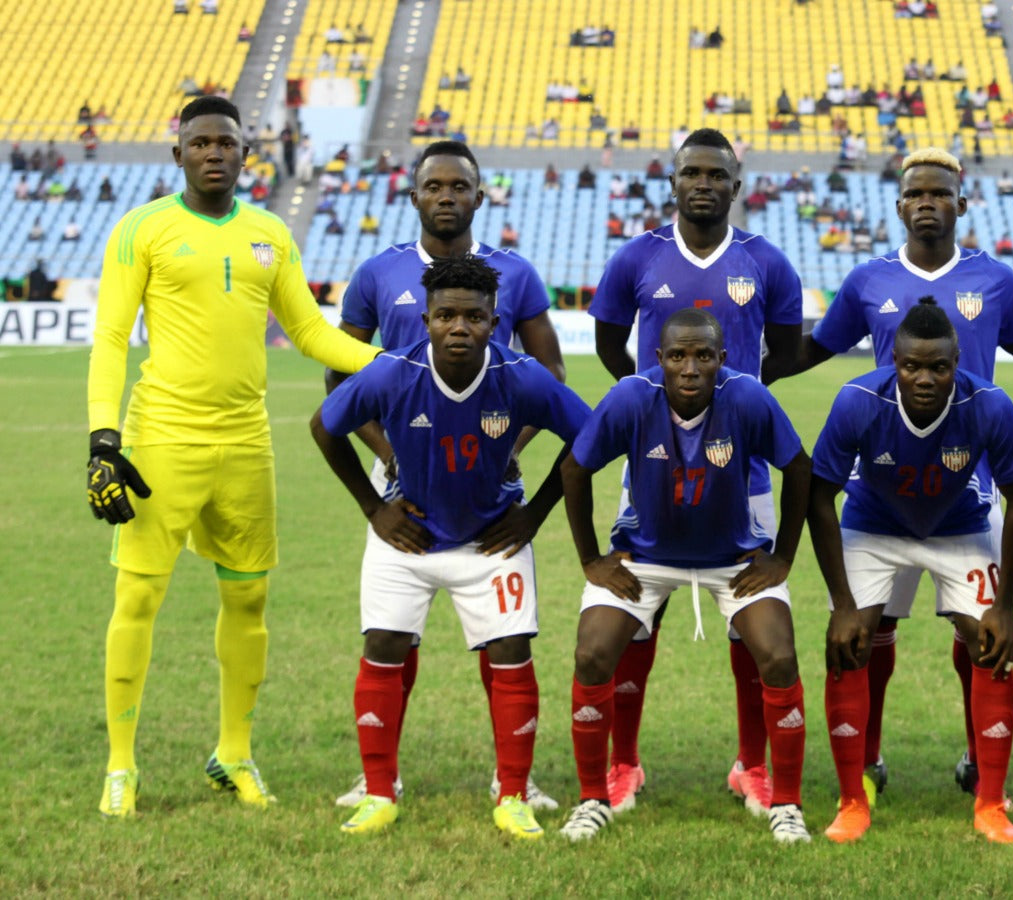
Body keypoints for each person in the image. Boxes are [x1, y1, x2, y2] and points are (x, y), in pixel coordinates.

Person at [85, 97, 381, 817]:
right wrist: (103, 439)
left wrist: (391, 362)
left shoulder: (271, 234)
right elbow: (112, 338)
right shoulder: (141, 229)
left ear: (248, 154)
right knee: (138, 597)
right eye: (200, 142)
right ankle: (120, 767)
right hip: (161, 439)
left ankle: (234, 753)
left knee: (248, 598)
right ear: (178, 153)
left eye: (228, 143)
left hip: (246, 443)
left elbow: (309, 330)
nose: (215, 152)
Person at [778, 148, 1013, 804]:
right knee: (873, 630)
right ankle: (866, 757)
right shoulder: (868, 279)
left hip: (968, 484)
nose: (927, 202)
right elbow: (819, 347)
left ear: (962, 202)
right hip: (884, 484)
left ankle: (980, 759)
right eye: (916, 193)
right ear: (898, 206)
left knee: (978, 631)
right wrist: (747, 377)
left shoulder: (995, 280)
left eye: (940, 193)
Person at [311, 256, 591, 838]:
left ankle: (511, 792)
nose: (458, 327)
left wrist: (533, 515)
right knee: (383, 644)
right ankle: (380, 792)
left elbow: (589, 438)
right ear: (426, 319)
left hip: (491, 539)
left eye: (473, 316)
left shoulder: (522, 375)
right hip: (406, 535)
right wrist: (374, 507)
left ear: (494, 321)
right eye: (445, 315)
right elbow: (324, 425)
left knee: (512, 650)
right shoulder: (393, 372)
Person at [585, 128, 803, 815]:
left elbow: (787, 350)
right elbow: (606, 340)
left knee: (752, 621)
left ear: (737, 186)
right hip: (652, 467)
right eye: (690, 173)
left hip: (746, 476)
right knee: (633, 618)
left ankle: (752, 764)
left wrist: (739, 409)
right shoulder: (638, 257)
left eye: (716, 174)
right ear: (673, 183)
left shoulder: (766, 262)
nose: (702, 183)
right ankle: (622, 764)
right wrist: (646, 410)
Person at [557, 308, 812, 844]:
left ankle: (787, 804)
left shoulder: (746, 397)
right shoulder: (630, 397)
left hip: (732, 557)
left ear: (724, 359)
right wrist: (591, 560)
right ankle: (591, 799)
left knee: (780, 657)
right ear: (659, 360)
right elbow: (574, 469)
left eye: (702, 356)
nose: (690, 368)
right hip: (644, 556)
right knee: (592, 653)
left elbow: (800, 467)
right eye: (677, 356)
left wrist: (782, 556)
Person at [812, 299, 1013, 844]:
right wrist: (842, 605)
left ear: (958, 361)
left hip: (960, 526)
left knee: (990, 645)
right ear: (894, 358)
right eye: (912, 365)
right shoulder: (858, 400)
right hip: (873, 526)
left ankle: (990, 804)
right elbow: (818, 498)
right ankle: (851, 801)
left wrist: (1004, 607)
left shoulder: (990, 405)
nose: (925, 377)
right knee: (849, 644)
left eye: (939, 366)